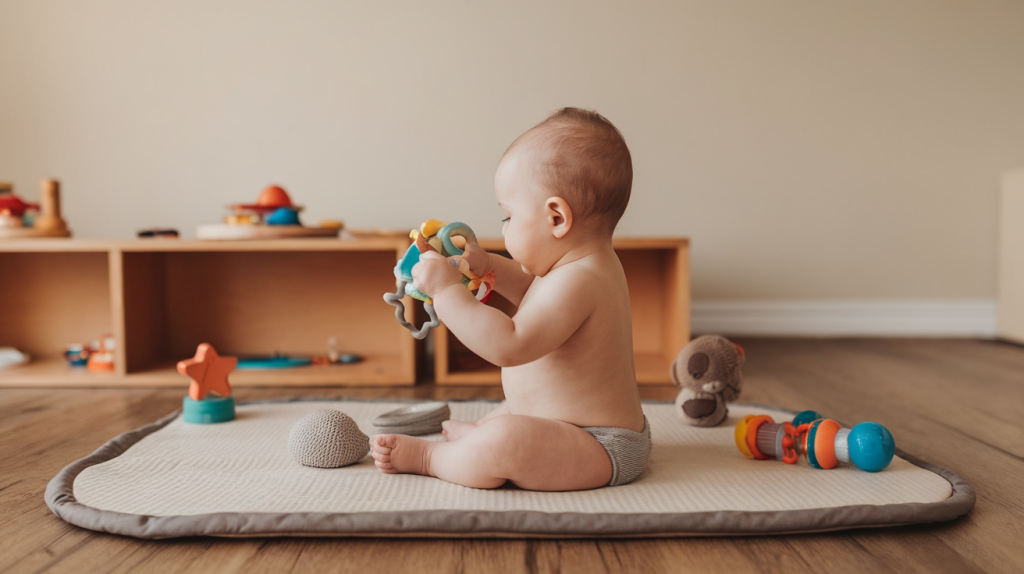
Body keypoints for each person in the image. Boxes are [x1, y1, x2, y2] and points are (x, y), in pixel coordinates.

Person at [372, 108, 649, 491]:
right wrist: (488, 265)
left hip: (597, 444)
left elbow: (510, 344)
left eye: (508, 217)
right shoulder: (578, 267)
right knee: (506, 421)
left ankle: (432, 457)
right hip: (565, 429)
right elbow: (531, 291)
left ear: (556, 219)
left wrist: (447, 291)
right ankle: (481, 434)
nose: (503, 230)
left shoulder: (582, 280)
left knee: (507, 440)